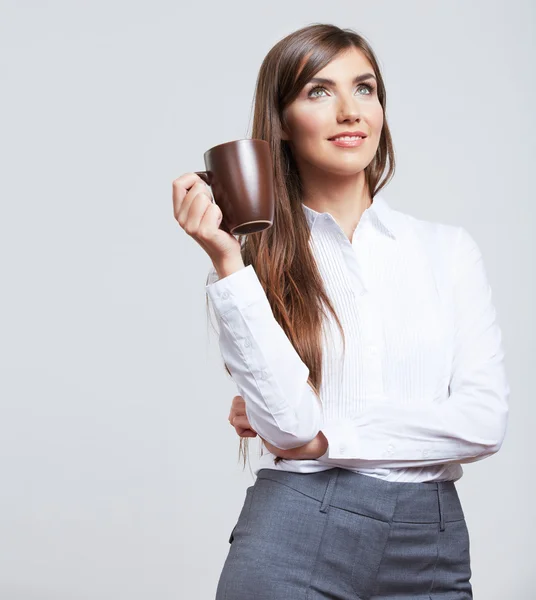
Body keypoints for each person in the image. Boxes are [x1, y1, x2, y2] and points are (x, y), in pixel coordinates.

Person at [172, 22, 509, 600]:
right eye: (318, 91)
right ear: (280, 122)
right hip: (297, 530)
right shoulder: (250, 267)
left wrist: (328, 434)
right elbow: (287, 427)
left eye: (366, 88)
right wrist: (228, 261)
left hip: (430, 540)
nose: (351, 110)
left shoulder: (447, 250)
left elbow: (482, 423)